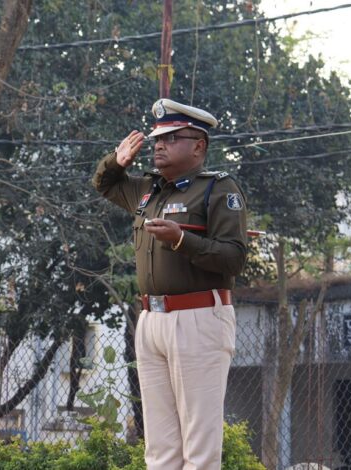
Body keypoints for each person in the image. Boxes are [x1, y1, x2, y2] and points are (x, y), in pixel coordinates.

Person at [92, 98, 248, 470]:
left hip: (198, 317)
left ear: (199, 146)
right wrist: (117, 161)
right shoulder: (149, 190)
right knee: (160, 448)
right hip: (152, 320)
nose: (159, 144)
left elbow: (234, 258)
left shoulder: (217, 189)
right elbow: (104, 184)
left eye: (172, 137)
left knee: (199, 448)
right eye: (158, 137)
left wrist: (182, 240)